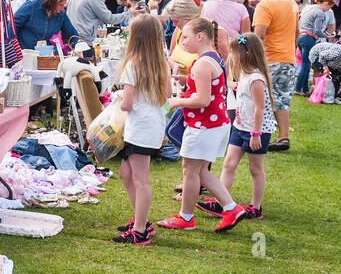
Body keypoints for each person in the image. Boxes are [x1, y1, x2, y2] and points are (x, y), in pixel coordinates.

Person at [157, 17, 249, 232]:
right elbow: (210, 88)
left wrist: (176, 101)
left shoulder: (201, 64)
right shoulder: (213, 58)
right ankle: (230, 208)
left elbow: (202, 100)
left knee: (190, 170)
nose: (182, 42)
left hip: (203, 124)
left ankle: (186, 217)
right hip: (215, 123)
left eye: (185, 37)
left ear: (200, 37)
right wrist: (185, 80)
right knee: (199, 171)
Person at [110, 14, 169, 245]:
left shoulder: (133, 65)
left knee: (140, 180)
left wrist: (119, 97)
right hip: (152, 125)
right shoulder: (161, 62)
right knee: (126, 173)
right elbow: (166, 95)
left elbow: (127, 104)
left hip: (140, 128)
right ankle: (140, 219)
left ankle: (140, 230)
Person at [216, 33, 276, 220]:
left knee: (255, 169)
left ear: (246, 53)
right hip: (240, 127)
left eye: (234, 52)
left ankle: (255, 207)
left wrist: (256, 134)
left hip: (256, 131)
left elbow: (259, 108)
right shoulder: (244, 74)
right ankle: (222, 202)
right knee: (228, 164)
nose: (231, 56)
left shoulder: (256, 79)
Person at [250, 0, 298, 150]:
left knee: (263, 99)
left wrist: (253, 59)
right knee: (282, 99)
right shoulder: (290, 1)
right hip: (288, 58)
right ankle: (283, 136)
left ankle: (262, 136)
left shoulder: (264, 5)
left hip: (270, 58)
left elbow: (259, 35)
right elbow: (296, 31)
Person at [13, 0, 80, 53]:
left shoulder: (61, 14)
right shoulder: (31, 6)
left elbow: (71, 32)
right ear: (52, 2)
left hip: (46, 54)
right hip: (25, 52)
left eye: (64, 5)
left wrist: (78, 46)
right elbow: (13, 25)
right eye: (60, 5)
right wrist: (12, 48)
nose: (63, 7)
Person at [296, 0, 337, 94]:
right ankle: (297, 89)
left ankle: (305, 89)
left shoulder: (309, 8)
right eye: (329, 7)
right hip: (309, 38)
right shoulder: (320, 13)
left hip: (301, 37)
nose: (329, 10)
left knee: (305, 64)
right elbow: (317, 31)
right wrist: (328, 36)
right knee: (306, 65)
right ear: (326, 4)